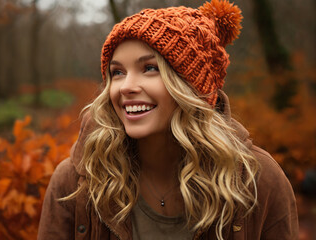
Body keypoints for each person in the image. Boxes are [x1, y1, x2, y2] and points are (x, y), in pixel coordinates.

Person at [37, 0, 298, 239]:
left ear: (191, 86)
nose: (126, 86)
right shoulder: (74, 182)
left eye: (150, 68)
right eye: (117, 72)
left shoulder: (260, 182)